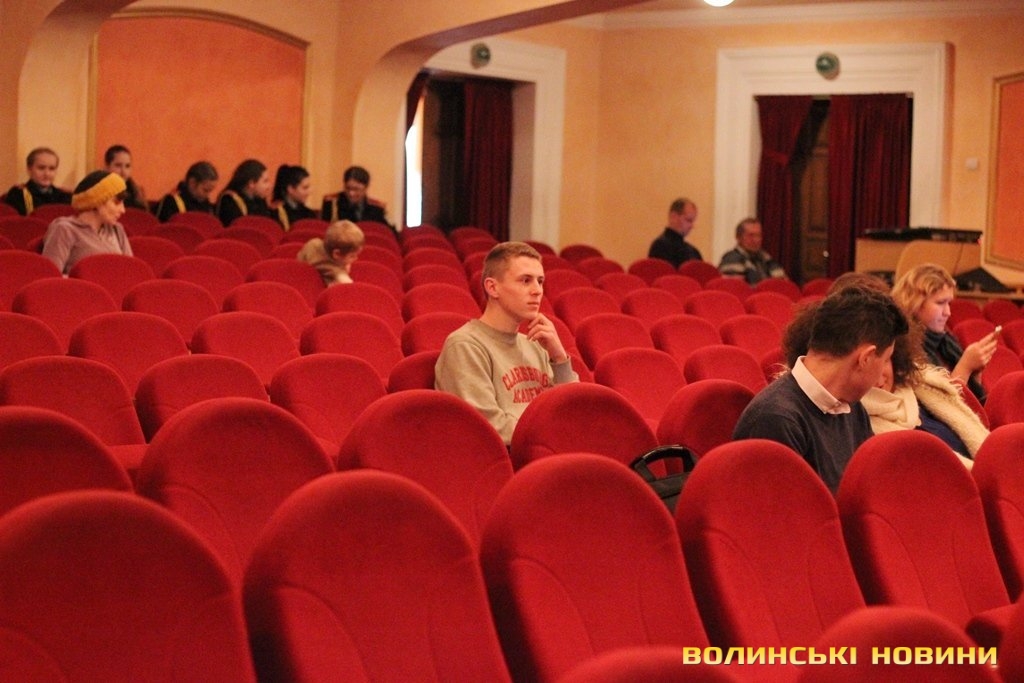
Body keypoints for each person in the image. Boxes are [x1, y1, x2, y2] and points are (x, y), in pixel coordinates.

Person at [733, 285, 909, 492]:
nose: (883, 373)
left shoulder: (850, 407)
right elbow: (783, 509)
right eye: (886, 359)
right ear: (866, 358)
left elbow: (868, 489)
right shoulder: (775, 419)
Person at [435, 241, 578, 444]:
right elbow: (488, 427)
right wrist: (556, 433)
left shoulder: (536, 344)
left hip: (547, 450)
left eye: (540, 281)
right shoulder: (465, 346)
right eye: (525, 281)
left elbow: (571, 412)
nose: (537, 291)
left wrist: (559, 358)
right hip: (507, 456)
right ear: (492, 288)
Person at [891, 263, 996, 404]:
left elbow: (971, 401)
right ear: (914, 303)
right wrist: (965, 367)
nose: (948, 312)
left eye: (949, 303)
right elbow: (939, 407)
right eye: (940, 303)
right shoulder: (905, 348)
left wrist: (975, 373)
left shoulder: (946, 341)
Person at [40, 170, 132, 274]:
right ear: (98, 201)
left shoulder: (117, 229)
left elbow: (130, 271)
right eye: (116, 202)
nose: (123, 210)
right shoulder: (64, 229)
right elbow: (50, 276)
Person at [4, 147, 72, 216]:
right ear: (29, 169)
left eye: (52, 169)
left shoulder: (64, 196)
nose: (47, 174)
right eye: (41, 168)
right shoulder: (19, 194)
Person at [717, 217, 787, 284]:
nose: (756, 240)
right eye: (751, 235)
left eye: (759, 235)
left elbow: (782, 284)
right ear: (738, 237)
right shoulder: (732, 259)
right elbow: (736, 288)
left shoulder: (766, 258)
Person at [320, 165, 392, 228]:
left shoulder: (377, 208)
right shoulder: (332, 202)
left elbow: (390, 232)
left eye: (356, 189)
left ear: (366, 188)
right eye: (348, 188)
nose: (351, 193)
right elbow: (323, 227)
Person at [296, 220, 364, 286]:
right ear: (337, 254)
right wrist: (343, 271)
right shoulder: (338, 274)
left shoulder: (313, 243)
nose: (356, 258)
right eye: (352, 256)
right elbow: (347, 283)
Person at [215, 159, 274, 226]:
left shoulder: (260, 199)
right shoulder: (230, 201)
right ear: (251, 183)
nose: (269, 186)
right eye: (265, 181)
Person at [154, 161, 219, 222]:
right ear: (192, 183)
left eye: (210, 191)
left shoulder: (207, 206)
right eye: (205, 190)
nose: (207, 195)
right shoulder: (171, 202)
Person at [648, 197, 703, 268]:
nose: (691, 226)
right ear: (673, 217)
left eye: (692, 221)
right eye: (688, 220)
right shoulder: (660, 247)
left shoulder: (694, 251)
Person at [272, 164, 317, 230]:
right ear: (290, 189)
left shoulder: (309, 214)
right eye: (305, 188)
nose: (309, 192)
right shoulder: (277, 214)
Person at [103, 144, 147, 210]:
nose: (123, 172)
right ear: (107, 167)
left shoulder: (137, 193)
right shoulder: (100, 194)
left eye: (127, 166)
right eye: (118, 165)